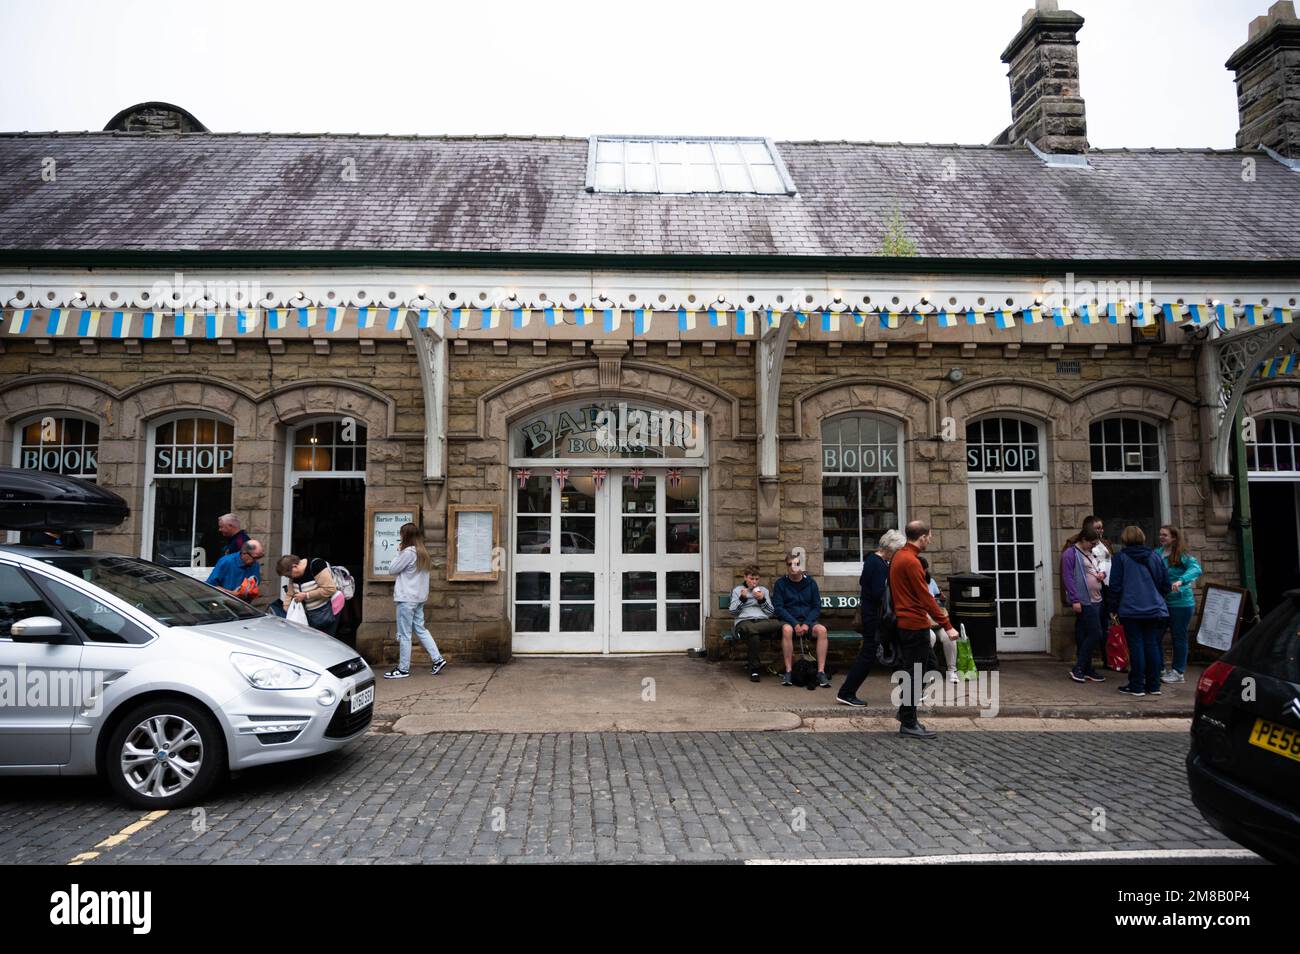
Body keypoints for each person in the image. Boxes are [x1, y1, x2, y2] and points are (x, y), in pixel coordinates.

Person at [889, 521, 959, 739]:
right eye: (929, 536)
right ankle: (909, 722)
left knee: (928, 668)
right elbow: (926, 598)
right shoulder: (911, 561)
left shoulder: (899, 556)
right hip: (914, 625)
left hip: (909, 623)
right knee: (917, 673)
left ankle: (906, 713)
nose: (930, 539)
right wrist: (947, 626)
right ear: (922, 537)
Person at [837, 529, 906, 707]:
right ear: (890, 548)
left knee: (892, 651)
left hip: (874, 615)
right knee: (868, 655)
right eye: (898, 551)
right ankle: (846, 692)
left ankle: (908, 691)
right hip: (875, 617)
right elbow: (878, 593)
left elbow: (864, 583)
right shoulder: (878, 564)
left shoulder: (873, 561)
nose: (898, 555)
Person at [1107, 526, 1171, 698]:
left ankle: (1137, 685)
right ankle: (1154, 685)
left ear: (1124, 539)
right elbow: (1165, 584)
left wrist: (1112, 608)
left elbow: (1115, 585)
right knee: (1152, 645)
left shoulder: (1121, 558)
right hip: (1154, 608)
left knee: (1136, 646)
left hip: (1131, 608)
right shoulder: (1154, 556)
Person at [383, 523, 447, 679]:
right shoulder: (422, 552)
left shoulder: (407, 553)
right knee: (420, 629)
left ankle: (403, 669)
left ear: (405, 535)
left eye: (401, 534)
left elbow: (392, 569)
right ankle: (437, 659)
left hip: (406, 599)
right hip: (418, 598)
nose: (400, 537)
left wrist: (398, 551)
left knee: (404, 634)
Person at [773, 549, 830, 688]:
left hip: (808, 622)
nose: (793, 567)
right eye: (790, 564)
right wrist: (794, 624)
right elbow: (779, 608)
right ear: (786, 566)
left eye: (797, 564)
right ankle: (788, 671)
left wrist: (806, 624)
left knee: (822, 630)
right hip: (789, 621)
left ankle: (821, 672)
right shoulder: (780, 584)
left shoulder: (811, 583)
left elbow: (816, 607)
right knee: (786, 630)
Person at [1062, 526, 1107, 683]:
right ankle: (1079, 668)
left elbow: (1102, 564)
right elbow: (1068, 577)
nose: (1094, 546)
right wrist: (1075, 599)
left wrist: (1102, 574)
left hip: (1096, 599)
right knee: (1096, 633)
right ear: (1083, 539)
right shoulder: (1070, 554)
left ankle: (1087, 668)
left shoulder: (1091, 552)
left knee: (1084, 633)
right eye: (1092, 543)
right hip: (1084, 600)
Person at [1158, 525, 1202, 684]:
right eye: (1160, 534)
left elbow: (1196, 569)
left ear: (1174, 538)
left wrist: (1181, 580)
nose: (1161, 537)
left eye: (1165, 535)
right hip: (1162, 602)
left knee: (1178, 637)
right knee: (1156, 636)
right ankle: (1160, 668)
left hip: (1181, 603)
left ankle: (1178, 672)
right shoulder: (1157, 553)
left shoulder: (1182, 555)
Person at [729, 564, 782, 682]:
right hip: (744, 621)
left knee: (771, 625)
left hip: (762, 621)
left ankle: (754, 669)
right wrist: (742, 599)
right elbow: (733, 612)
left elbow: (770, 612)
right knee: (754, 635)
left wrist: (762, 600)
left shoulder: (763, 590)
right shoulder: (737, 590)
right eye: (751, 578)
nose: (754, 582)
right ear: (745, 577)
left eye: (757, 579)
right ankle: (754, 669)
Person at [275, 553, 339, 636]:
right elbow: (290, 593)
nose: (289, 578)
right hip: (307, 615)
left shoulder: (316, 565)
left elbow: (330, 589)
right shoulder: (294, 574)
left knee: (324, 639)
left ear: (294, 566)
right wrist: (286, 611)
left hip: (323, 613)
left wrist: (306, 595)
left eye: (288, 575)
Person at [920, 555, 958, 684]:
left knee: (949, 637)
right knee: (930, 637)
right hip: (923, 623)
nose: (923, 572)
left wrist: (941, 598)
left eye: (924, 569)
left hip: (936, 622)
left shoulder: (931, 582)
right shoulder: (912, 584)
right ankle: (928, 671)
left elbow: (939, 601)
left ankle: (952, 670)